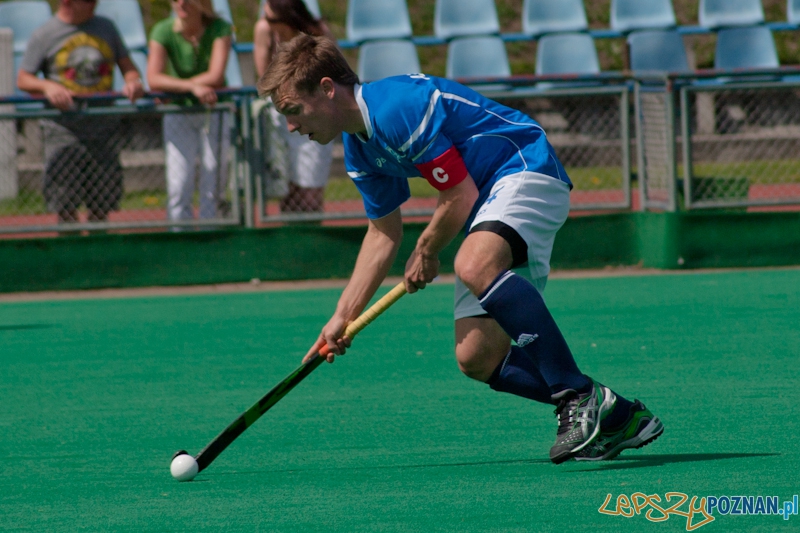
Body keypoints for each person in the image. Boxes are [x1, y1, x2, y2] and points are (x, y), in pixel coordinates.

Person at [258, 34, 664, 463]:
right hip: (486, 200)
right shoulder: (359, 146)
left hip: (522, 167)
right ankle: (615, 413)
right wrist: (342, 316)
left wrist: (429, 249)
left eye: (292, 111)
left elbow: (459, 194)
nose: (291, 126)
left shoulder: (394, 106)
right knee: (476, 356)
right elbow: (383, 233)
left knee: (473, 262)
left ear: (326, 88)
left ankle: (577, 396)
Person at [16, 0, 145, 225]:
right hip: (63, 131)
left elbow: (129, 68)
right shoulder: (44, 34)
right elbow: (23, 78)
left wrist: (134, 82)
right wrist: (48, 87)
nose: (95, 4)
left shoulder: (106, 27)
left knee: (101, 205)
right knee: (65, 205)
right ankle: (69, 256)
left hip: (102, 130)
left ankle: (100, 254)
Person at [146, 0, 232, 222]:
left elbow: (216, 76)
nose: (181, 3)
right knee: (179, 182)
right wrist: (193, 88)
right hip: (178, 113)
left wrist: (176, 86)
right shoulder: (162, 30)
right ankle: (179, 235)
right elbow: (153, 78)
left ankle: (210, 234)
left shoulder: (220, 28)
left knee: (213, 178)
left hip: (213, 110)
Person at [253, 0, 334, 213]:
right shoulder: (264, 30)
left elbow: (335, 68)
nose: (266, 21)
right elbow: (265, 80)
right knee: (287, 190)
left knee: (310, 193)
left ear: (288, 18)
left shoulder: (316, 31)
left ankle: (313, 239)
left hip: (314, 114)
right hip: (282, 115)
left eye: (271, 18)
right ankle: (290, 240)